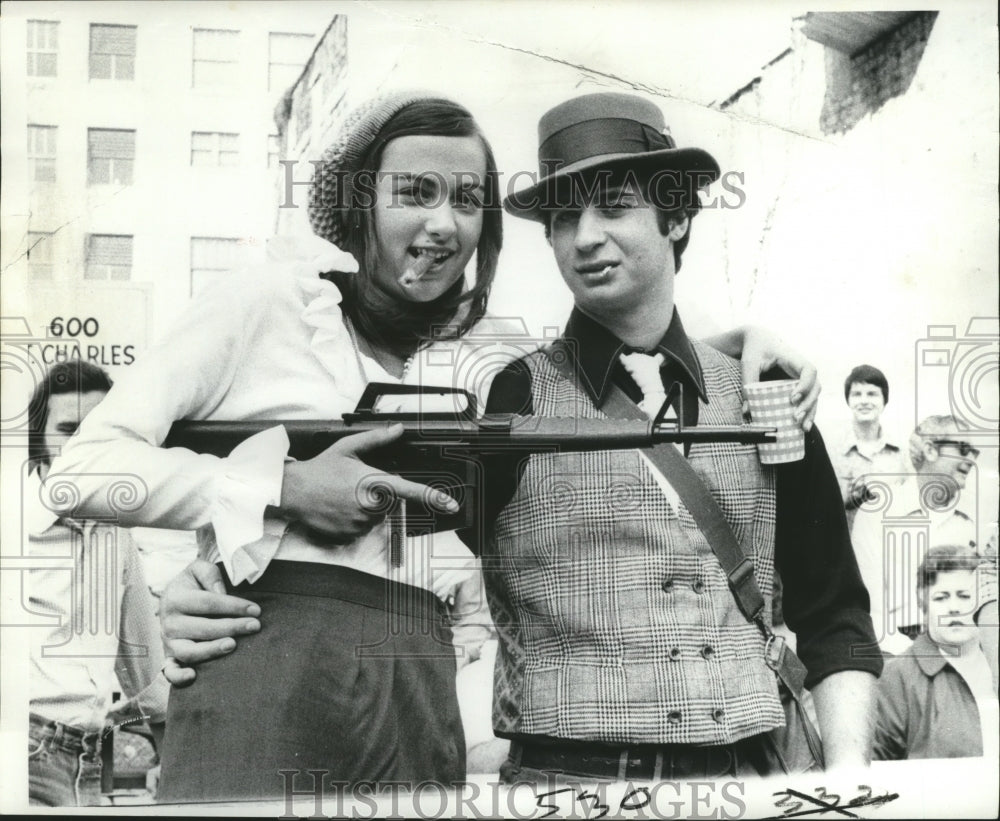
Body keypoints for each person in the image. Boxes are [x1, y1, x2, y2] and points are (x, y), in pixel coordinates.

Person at [157, 91, 865, 786]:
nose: (585, 236)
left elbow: (834, 613)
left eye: (614, 207)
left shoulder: (763, 393)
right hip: (569, 784)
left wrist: (848, 780)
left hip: (753, 775)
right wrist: (202, 582)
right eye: (562, 217)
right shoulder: (513, 399)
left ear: (676, 215)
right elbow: (352, 515)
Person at [25, 361, 168, 806]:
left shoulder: (117, 533)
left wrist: (175, 762)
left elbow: (146, 669)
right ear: (38, 441)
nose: (84, 446)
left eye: (97, 432)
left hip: (88, 760)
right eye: (69, 430)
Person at [851, 414, 984, 654]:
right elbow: (868, 605)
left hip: (964, 650)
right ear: (931, 450)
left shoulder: (975, 521)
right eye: (964, 449)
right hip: (893, 648)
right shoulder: (877, 512)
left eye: (975, 453)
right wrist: (912, 658)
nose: (971, 460)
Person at [872, 545, 998, 760]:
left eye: (964, 596)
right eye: (941, 597)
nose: (954, 608)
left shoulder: (994, 661)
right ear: (923, 602)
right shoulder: (897, 676)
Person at [829, 365, 910, 529]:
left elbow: (909, 504)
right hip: (844, 545)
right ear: (848, 400)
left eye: (872, 394)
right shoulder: (832, 451)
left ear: (884, 400)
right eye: (857, 394)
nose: (864, 401)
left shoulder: (902, 453)